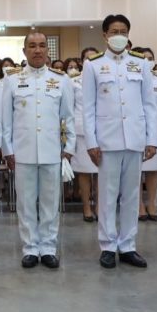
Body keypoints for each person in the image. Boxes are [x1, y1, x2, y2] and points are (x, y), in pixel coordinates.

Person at [82, 14, 157, 269]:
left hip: (135, 138)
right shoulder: (93, 65)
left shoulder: (141, 63)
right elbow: (88, 108)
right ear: (105, 35)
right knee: (107, 195)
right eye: (114, 31)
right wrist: (91, 142)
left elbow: (149, 104)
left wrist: (152, 138)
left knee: (131, 195)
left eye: (123, 31)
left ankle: (127, 245)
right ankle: (107, 245)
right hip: (107, 140)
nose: (119, 35)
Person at [1, 33, 75, 269]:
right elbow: (6, 120)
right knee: (25, 203)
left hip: (52, 151)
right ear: (24, 51)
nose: (37, 50)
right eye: (32, 46)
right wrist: (7, 150)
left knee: (50, 204)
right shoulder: (12, 80)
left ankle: (48, 248)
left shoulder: (61, 80)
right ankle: (30, 248)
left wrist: (69, 149)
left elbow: (68, 117)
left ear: (47, 50)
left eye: (42, 46)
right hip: (22, 152)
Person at [135, 47, 157, 222]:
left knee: (153, 170)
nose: (148, 61)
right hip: (136, 130)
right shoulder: (132, 79)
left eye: (151, 58)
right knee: (136, 171)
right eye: (144, 58)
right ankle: (139, 204)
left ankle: (152, 203)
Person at [69, 54, 97, 221]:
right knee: (84, 172)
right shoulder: (74, 81)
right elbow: (69, 108)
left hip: (102, 130)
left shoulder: (105, 78)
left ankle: (99, 206)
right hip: (80, 130)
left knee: (102, 172)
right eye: (87, 58)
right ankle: (86, 206)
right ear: (81, 61)